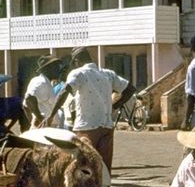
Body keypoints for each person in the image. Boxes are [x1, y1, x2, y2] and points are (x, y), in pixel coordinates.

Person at [46, 46, 136, 174]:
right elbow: (130, 89)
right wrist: (114, 106)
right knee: (104, 170)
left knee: (85, 170)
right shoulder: (108, 74)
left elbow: (65, 91)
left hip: (86, 128)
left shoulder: (78, 73)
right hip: (106, 127)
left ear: (76, 61)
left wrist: (51, 115)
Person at [23, 55, 63, 129]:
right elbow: (29, 98)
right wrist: (39, 117)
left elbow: (25, 106)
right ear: (47, 69)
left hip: (47, 128)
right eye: (56, 67)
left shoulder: (43, 82)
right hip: (45, 130)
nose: (59, 69)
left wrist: (32, 122)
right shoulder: (42, 82)